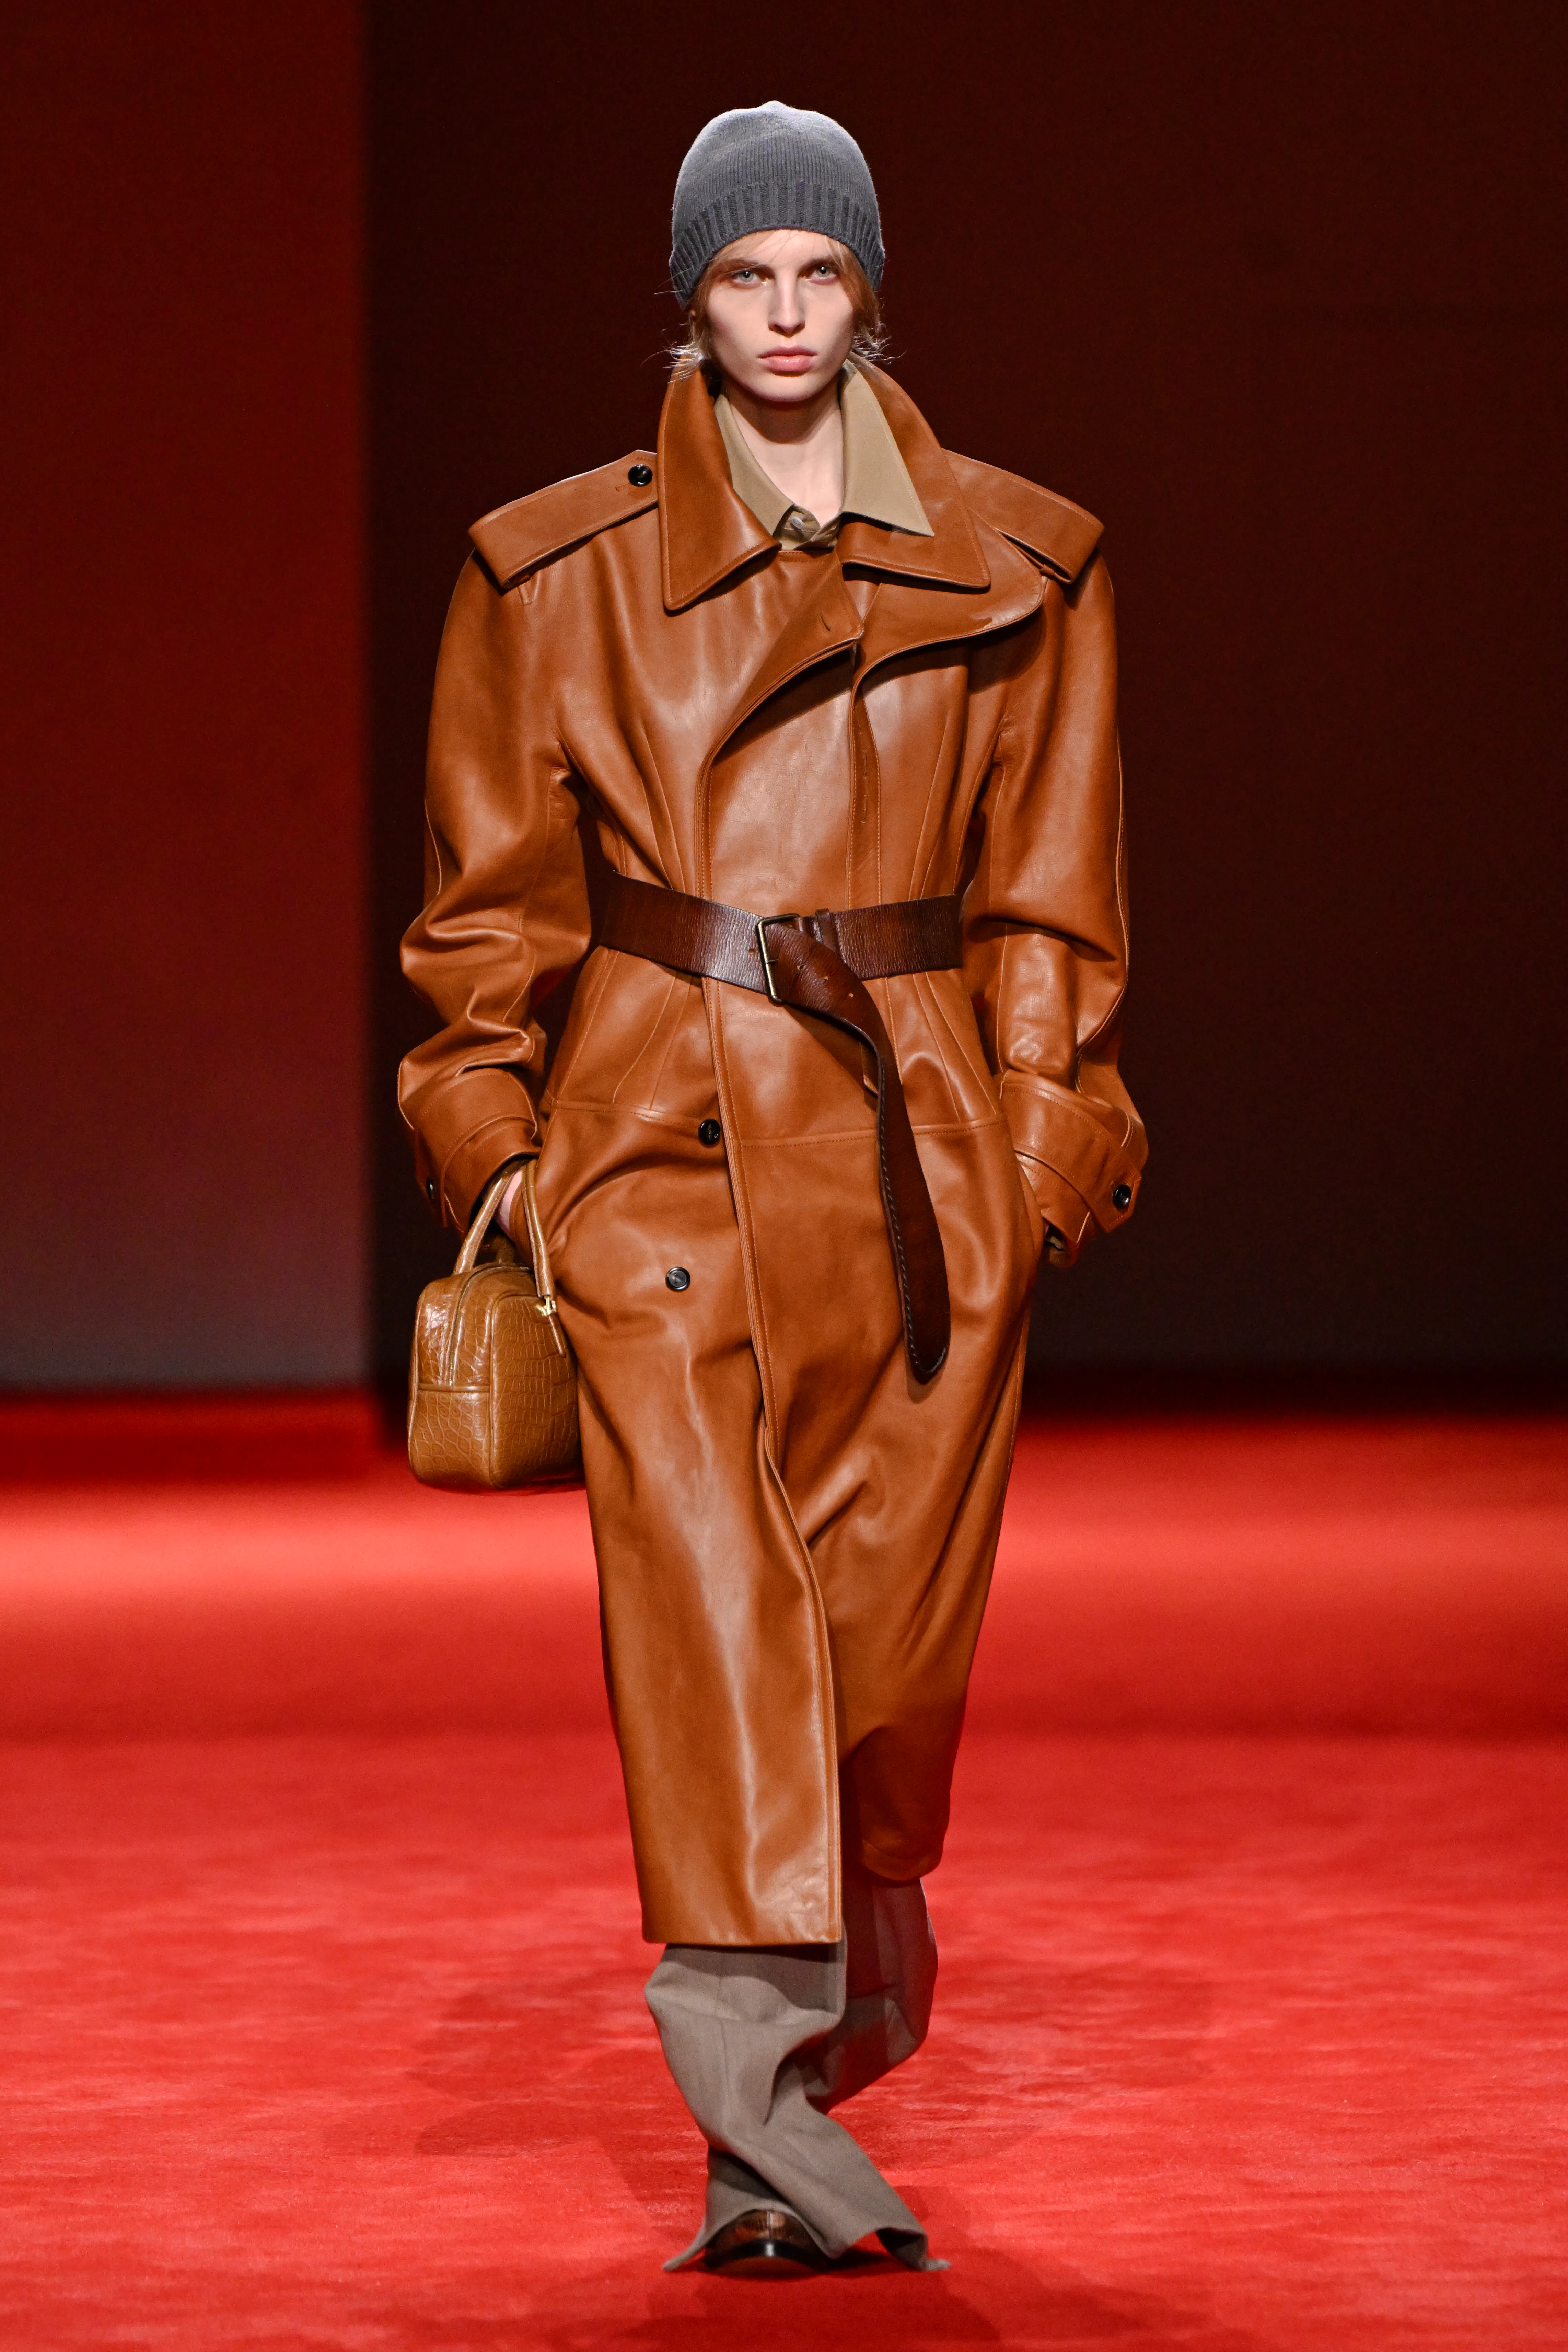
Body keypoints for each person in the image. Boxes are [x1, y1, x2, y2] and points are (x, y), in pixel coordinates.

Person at [399, 101, 1146, 2280]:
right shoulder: (551, 574)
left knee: (884, 1652)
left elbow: (1055, 901)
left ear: (870, 292)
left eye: (822, 274)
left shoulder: (1026, 565)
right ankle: (761, 2122)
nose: (788, 316)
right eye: (746, 277)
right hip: (656, 1132)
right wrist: (501, 1150)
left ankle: (820, 2038)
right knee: (716, 1616)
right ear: (689, 299)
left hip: (920, 1152)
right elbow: (482, 910)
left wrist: (1037, 1149)